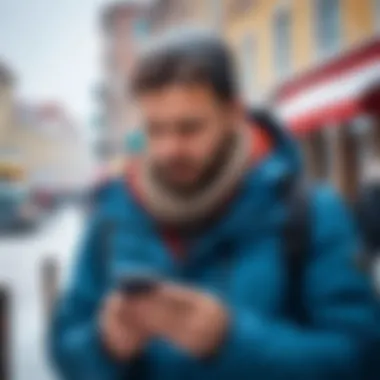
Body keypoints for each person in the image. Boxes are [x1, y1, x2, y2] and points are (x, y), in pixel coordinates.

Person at [49, 29, 379, 380]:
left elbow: (361, 358)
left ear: (234, 113)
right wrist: (103, 345)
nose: (168, 149)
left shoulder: (313, 213)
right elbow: (64, 346)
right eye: (155, 130)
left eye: (189, 128)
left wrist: (231, 340)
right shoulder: (113, 212)